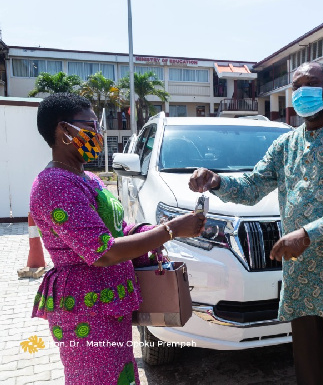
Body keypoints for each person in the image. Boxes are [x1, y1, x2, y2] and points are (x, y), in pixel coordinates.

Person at [189, 62, 323, 385]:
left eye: (311, 84)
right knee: (310, 375)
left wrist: (309, 233)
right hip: (302, 282)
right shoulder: (286, 144)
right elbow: (253, 186)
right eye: (297, 87)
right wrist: (216, 181)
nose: (302, 92)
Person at [30, 93, 206, 385]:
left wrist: (149, 231)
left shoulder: (87, 178)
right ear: (63, 130)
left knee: (119, 376)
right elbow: (103, 252)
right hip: (86, 312)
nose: (98, 133)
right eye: (89, 125)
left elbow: (117, 230)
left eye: (96, 126)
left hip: (108, 304)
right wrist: (171, 230)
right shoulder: (55, 185)